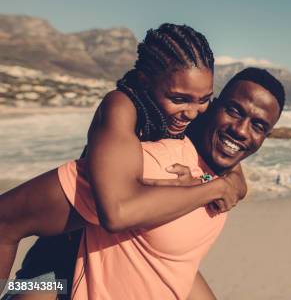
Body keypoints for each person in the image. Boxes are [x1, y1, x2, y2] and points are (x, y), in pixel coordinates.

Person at [0, 23, 247, 298]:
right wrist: (211, 188)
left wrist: (218, 181)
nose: (192, 112)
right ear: (144, 81)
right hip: (61, 260)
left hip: (136, 252)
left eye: (204, 100)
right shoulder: (121, 106)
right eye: (179, 99)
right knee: (25, 290)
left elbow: (235, 170)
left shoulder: (193, 113)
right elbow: (117, 212)